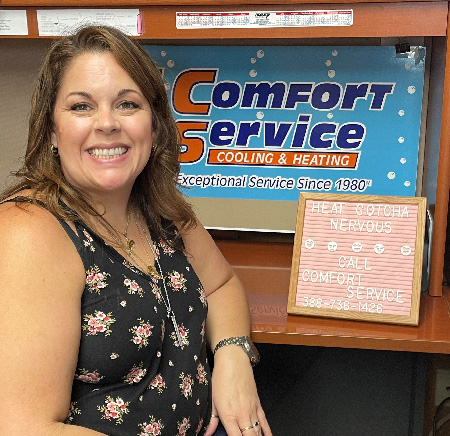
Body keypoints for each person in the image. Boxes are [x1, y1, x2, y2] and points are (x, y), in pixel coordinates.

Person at [0, 26, 272, 436]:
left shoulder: (159, 206)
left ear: (156, 126)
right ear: (52, 131)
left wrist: (233, 356)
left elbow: (221, 285)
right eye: (81, 107)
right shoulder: (29, 233)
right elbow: (22, 426)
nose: (107, 123)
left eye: (127, 104)